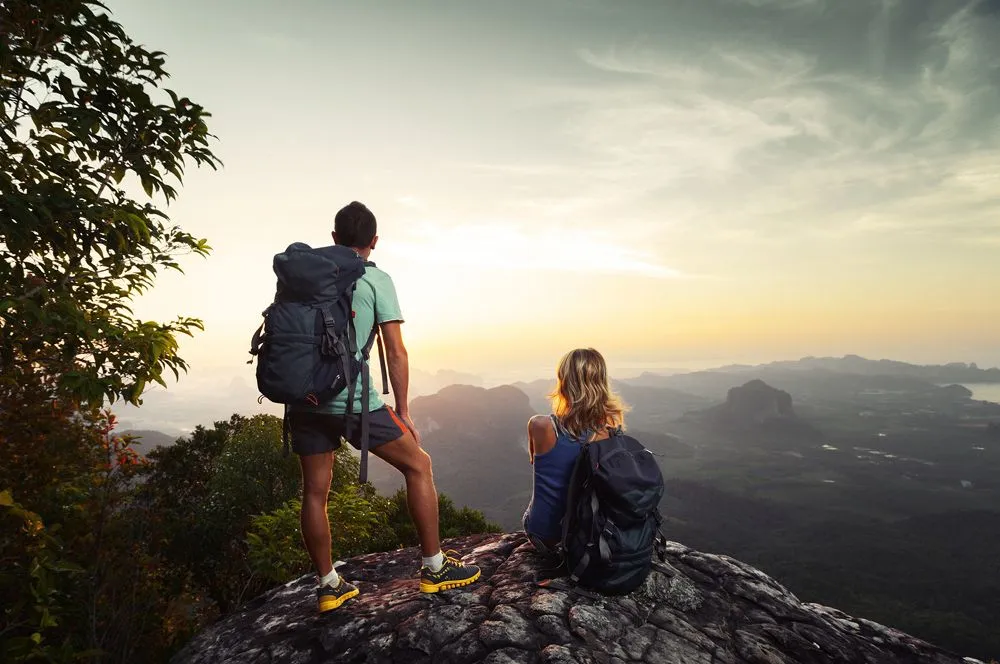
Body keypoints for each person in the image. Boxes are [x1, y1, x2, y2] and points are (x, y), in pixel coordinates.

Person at [289, 201, 480, 613]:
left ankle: (327, 586)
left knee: (315, 492)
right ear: (374, 242)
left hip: (304, 399)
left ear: (335, 237)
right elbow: (395, 351)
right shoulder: (376, 279)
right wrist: (405, 410)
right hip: (353, 401)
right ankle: (433, 568)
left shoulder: (305, 276)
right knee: (419, 465)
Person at [522, 348, 628, 557]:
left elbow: (534, 461)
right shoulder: (612, 434)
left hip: (545, 535)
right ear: (600, 382)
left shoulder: (540, 426)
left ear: (563, 380)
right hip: (589, 537)